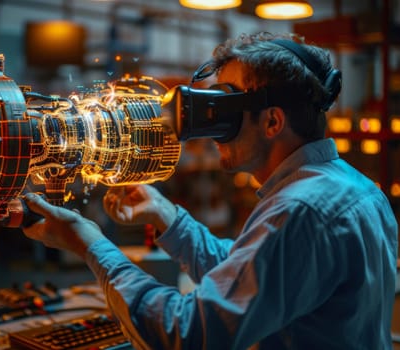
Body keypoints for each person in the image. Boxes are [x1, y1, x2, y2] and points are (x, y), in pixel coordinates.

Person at [21, 32, 398, 349]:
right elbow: (247, 278)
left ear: (272, 121)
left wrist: (89, 243)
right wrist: (165, 216)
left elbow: (188, 333)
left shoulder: (299, 209)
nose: (210, 124)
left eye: (224, 107)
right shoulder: (355, 188)